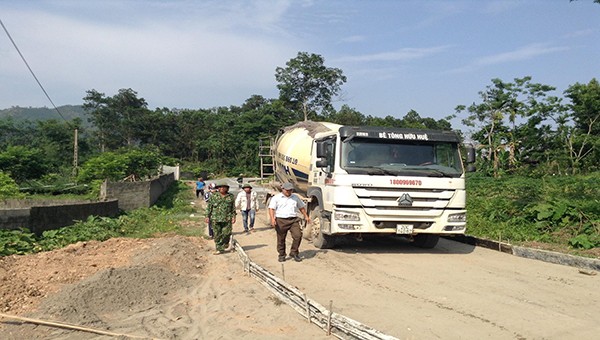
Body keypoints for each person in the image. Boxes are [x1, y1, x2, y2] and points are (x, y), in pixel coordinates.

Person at [268, 182, 310, 262]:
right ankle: (282, 254)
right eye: (287, 190)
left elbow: (301, 207)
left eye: (290, 190)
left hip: (293, 220)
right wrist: (272, 219)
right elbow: (271, 209)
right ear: (282, 189)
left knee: (298, 236)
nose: (288, 192)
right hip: (281, 220)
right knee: (281, 239)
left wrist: (306, 216)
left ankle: (294, 252)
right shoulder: (277, 198)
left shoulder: (295, 197)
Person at [205, 181, 236, 255]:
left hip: (227, 218)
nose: (222, 188)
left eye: (223, 187)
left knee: (226, 233)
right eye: (220, 187)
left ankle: (225, 243)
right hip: (215, 218)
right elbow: (209, 207)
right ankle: (219, 249)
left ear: (227, 188)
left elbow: (233, 208)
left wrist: (233, 216)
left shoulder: (230, 196)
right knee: (217, 234)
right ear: (218, 188)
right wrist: (207, 216)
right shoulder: (214, 196)